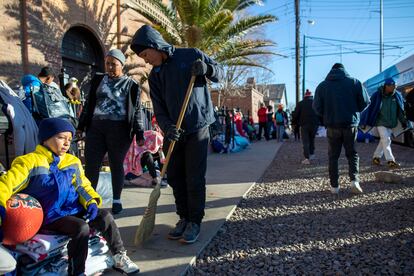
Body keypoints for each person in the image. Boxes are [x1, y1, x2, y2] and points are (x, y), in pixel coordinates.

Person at [0, 118, 139, 275]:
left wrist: (91, 202)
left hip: (72, 209)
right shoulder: (29, 162)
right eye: (61, 137)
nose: (66, 143)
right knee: (81, 228)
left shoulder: (72, 161)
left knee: (105, 216)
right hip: (50, 215)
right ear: (46, 138)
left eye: (69, 139)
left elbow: (82, 186)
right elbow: (6, 184)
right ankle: (77, 271)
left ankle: (119, 256)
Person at [130, 25, 224, 244]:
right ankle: (183, 217)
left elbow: (220, 72)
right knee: (174, 176)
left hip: (197, 127)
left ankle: (194, 221)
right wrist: (166, 127)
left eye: (146, 55)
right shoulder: (155, 75)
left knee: (193, 176)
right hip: (175, 132)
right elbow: (159, 108)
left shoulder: (190, 55)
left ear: (154, 46)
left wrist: (207, 69)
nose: (146, 60)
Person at [77, 49, 145, 214]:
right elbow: (88, 104)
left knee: (116, 164)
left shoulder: (132, 85)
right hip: (96, 127)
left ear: (122, 65)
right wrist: (81, 126)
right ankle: (89, 200)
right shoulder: (99, 80)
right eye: (107, 63)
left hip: (119, 130)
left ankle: (116, 200)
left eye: (113, 64)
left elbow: (136, 110)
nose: (110, 67)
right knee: (91, 165)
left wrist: (139, 132)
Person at [313, 63, 370, 194]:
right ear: (344, 70)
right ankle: (354, 181)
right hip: (350, 124)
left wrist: (326, 116)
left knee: (333, 156)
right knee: (352, 154)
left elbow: (316, 107)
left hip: (332, 125)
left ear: (331, 71)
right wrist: (355, 112)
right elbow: (366, 101)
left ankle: (334, 187)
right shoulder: (355, 82)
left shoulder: (322, 86)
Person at [360, 78, 410, 168]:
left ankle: (376, 157)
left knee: (385, 141)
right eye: (392, 86)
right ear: (386, 86)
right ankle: (390, 161)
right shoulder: (377, 95)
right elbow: (370, 109)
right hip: (380, 122)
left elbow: (400, 111)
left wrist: (404, 122)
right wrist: (364, 120)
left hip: (391, 123)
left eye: (395, 86)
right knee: (386, 139)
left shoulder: (397, 96)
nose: (394, 88)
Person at [292, 89, 320, 164]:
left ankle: (307, 158)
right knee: (312, 139)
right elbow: (320, 113)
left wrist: (294, 122)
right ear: (311, 96)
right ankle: (312, 154)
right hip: (314, 124)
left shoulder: (300, 104)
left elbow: (295, 115)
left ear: (305, 96)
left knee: (305, 141)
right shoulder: (316, 103)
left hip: (304, 124)